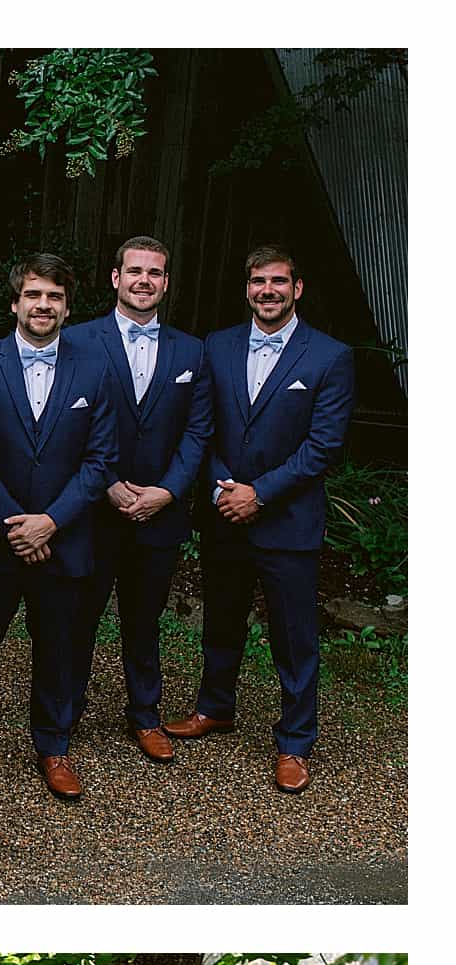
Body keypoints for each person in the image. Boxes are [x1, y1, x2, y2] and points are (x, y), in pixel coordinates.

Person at [168, 244, 355, 792]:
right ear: (246, 288)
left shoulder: (328, 356)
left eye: (278, 281)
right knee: (221, 621)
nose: (266, 290)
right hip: (226, 510)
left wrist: (261, 494)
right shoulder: (217, 347)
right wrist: (227, 486)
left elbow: (324, 446)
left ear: (298, 288)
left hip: (287, 521)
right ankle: (214, 707)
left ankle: (295, 741)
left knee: (293, 637)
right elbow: (203, 427)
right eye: (257, 281)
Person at [0, 253, 116, 805]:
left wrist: (51, 522)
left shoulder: (94, 369)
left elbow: (100, 460)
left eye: (55, 297)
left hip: (63, 540)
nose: (44, 306)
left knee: (59, 647)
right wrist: (15, 522)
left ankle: (53, 745)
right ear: (15, 302)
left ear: (67, 307)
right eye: (34, 295)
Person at [62, 238, 212, 762]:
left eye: (155, 273)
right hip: (94, 510)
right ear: (115, 277)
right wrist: (106, 483)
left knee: (145, 622)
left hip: (159, 512)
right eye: (135, 271)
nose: (144, 280)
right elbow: (67, 423)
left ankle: (145, 716)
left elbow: (198, 433)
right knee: (78, 618)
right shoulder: (77, 340)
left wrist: (168, 491)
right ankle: (62, 718)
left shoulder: (192, 351)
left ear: (166, 283)